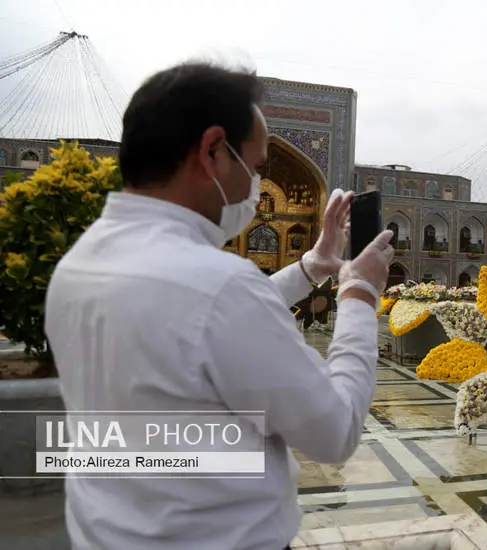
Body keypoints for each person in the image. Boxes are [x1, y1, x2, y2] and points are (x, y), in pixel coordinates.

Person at [44, 62, 395, 550]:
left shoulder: (77, 266)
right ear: (212, 150)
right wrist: (358, 294)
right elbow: (334, 432)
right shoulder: (218, 286)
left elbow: (193, 327)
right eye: (253, 167)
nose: (256, 186)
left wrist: (312, 265)